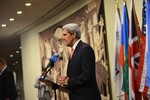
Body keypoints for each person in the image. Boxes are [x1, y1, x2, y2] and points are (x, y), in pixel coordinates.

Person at [58, 23, 101, 100]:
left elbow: (87, 75)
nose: (63, 38)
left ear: (73, 35)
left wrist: (69, 81)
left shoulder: (85, 49)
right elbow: (77, 73)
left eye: (65, 35)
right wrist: (66, 79)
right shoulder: (73, 51)